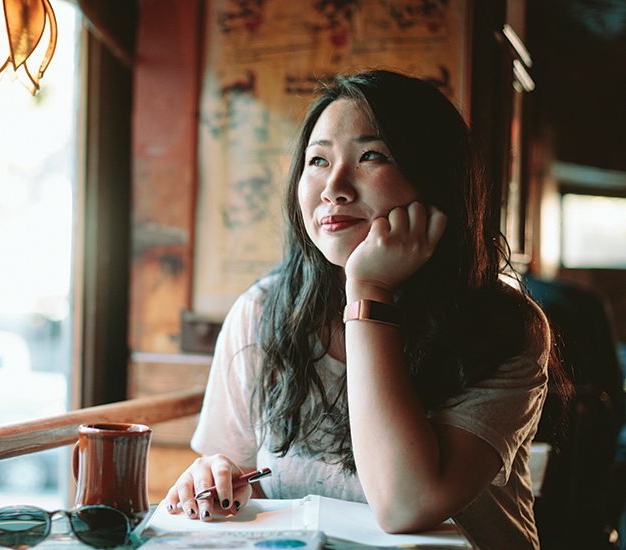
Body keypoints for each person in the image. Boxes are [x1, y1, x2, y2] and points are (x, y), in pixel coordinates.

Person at [165, 69, 569, 549]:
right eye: (317, 160)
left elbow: (406, 504)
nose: (334, 186)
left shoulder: (504, 328)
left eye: (371, 156)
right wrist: (219, 482)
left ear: (436, 179)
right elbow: (237, 476)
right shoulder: (262, 312)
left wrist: (369, 292)